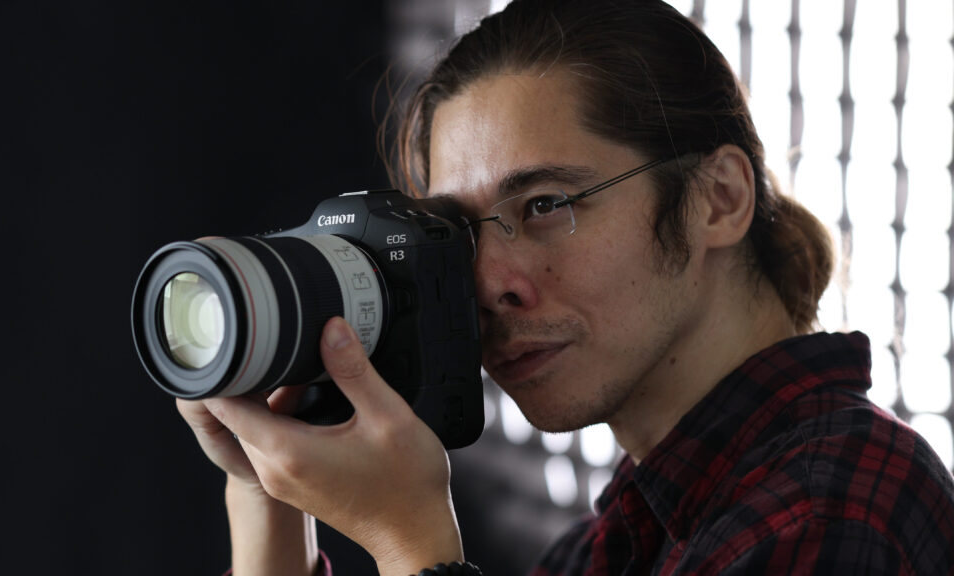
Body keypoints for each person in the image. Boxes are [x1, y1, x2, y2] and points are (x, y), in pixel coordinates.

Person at [177, 0, 954, 574]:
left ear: (718, 199)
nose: (489, 284)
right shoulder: (621, 538)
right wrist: (265, 494)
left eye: (545, 206)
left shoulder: (833, 511)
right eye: (461, 233)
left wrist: (410, 542)